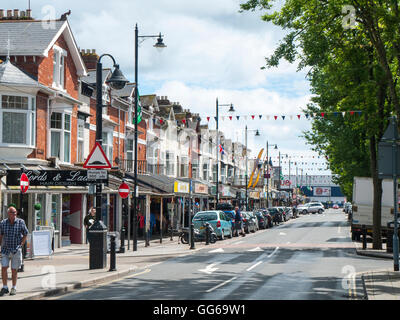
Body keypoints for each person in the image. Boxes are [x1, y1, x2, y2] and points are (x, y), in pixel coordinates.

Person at [0, 206, 28, 296]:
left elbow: (25, 234)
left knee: (14, 270)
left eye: (15, 212)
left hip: (16, 250)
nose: (15, 214)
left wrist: (21, 245)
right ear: (9, 213)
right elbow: (1, 235)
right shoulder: (3, 223)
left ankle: (14, 287)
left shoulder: (21, 222)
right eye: (13, 212)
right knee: (4, 268)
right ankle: (5, 287)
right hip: (5, 249)